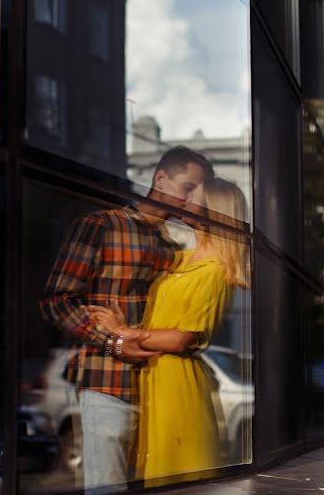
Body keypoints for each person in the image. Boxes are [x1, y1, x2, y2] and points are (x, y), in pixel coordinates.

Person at [39, 146, 213, 494]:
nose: (191, 199)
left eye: (198, 192)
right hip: (108, 380)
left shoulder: (171, 248)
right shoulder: (100, 225)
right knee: (109, 487)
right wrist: (113, 340)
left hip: (159, 387)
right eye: (187, 187)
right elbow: (55, 301)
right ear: (160, 178)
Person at [89, 177, 250, 486]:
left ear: (211, 210)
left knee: (172, 477)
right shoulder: (182, 259)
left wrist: (122, 332)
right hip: (152, 378)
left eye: (193, 195)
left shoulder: (216, 270)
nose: (185, 200)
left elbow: (182, 337)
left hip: (177, 384)